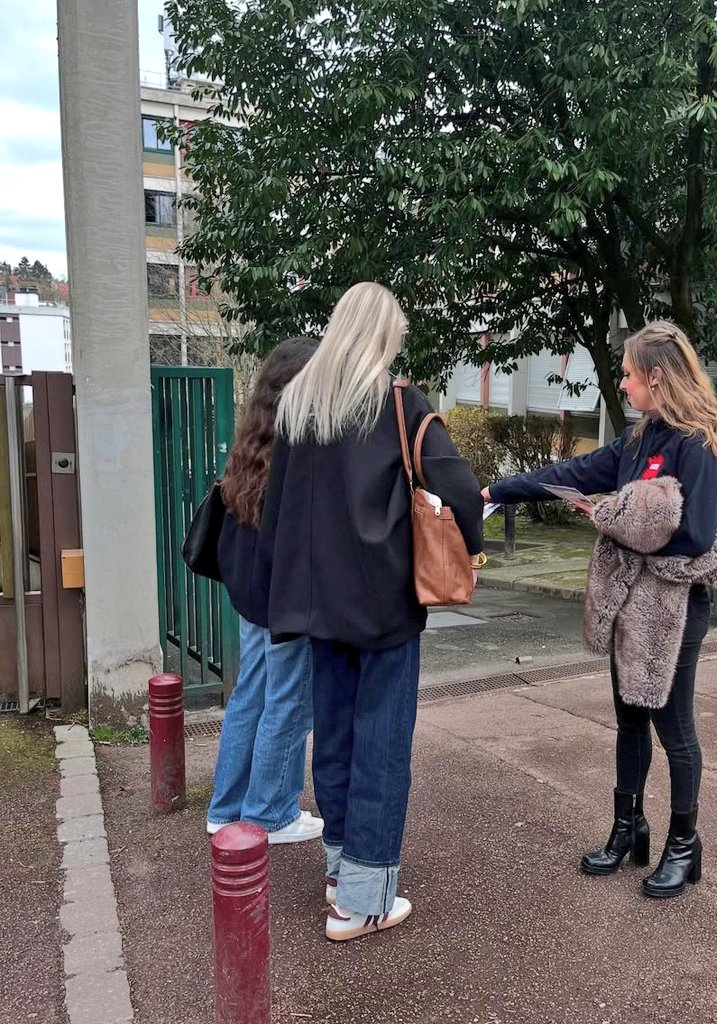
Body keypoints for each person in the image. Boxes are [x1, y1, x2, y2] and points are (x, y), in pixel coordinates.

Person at [484, 321, 717, 898]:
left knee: (674, 729)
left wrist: (613, 520)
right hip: (631, 605)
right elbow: (571, 474)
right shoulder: (639, 438)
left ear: (656, 377)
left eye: (627, 374)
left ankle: (684, 844)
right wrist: (498, 490)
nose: (622, 384)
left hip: (674, 611)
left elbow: (696, 534)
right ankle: (628, 828)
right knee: (629, 720)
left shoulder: (696, 444)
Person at [261, 282, 485, 940]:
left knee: (332, 736)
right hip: (385, 605)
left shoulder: (300, 406)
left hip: (317, 606)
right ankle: (362, 902)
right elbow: (462, 492)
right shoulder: (398, 404)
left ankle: (339, 872)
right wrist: (467, 545)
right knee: (381, 745)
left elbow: (279, 511)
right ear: (383, 336)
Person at [206, 336, 325, 845]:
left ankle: (226, 809)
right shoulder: (303, 449)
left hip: (249, 590)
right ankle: (271, 814)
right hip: (284, 594)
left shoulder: (251, 440)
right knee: (291, 699)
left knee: (250, 693)